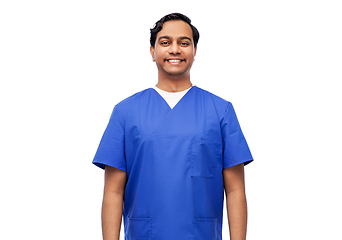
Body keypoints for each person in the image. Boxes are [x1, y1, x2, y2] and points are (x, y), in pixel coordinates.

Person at [93, 13, 253, 240]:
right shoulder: (125, 112)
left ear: (195, 51)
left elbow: (235, 190)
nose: (175, 49)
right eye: (165, 42)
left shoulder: (220, 111)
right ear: (152, 51)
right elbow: (113, 191)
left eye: (184, 43)